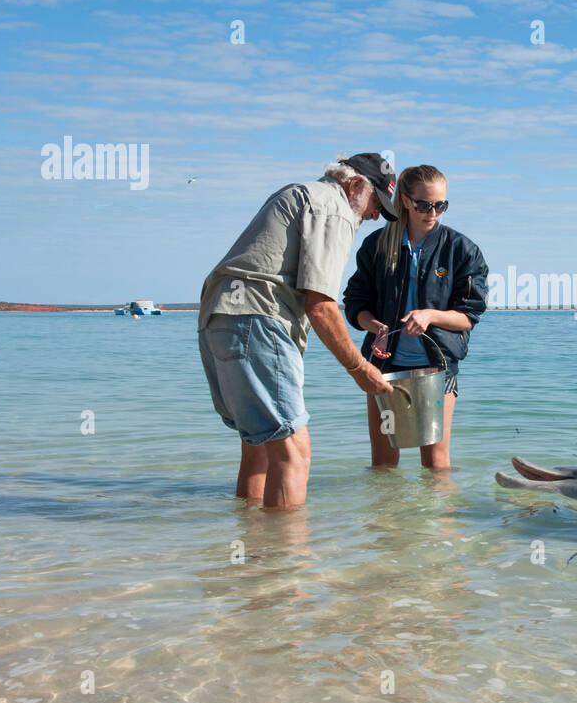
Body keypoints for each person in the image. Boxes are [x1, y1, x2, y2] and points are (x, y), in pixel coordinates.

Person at [197, 154, 398, 508]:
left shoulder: (298, 192)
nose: (375, 215)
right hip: (258, 318)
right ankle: (284, 559)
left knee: (259, 446)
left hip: (220, 316)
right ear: (354, 186)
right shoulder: (334, 209)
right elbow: (320, 305)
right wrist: (359, 368)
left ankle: (257, 551)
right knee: (293, 452)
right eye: (376, 203)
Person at [344, 164, 488, 469]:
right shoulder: (377, 245)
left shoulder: (461, 250)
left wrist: (430, 315)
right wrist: (376, 327)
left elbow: (468, 317)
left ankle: (438, 518)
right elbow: (355, 305)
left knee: (436, 463)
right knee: (383, 462)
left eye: (441, 205)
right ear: (406, 201)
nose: (433, 212)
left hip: (438, 370)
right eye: (425, 204)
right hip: (381, 368)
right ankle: (385, 518)